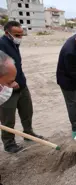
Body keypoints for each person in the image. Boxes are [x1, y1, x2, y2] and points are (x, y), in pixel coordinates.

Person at [0, 21, 44, 153]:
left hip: (21, 85)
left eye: (21, 34)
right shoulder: (1, 45)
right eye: (16, 34)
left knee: (27, 111)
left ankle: (28, 133)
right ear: (7, 33)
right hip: (7, 88)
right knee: (8, 118)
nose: (20, 37)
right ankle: (9, 144)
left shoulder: (13, 44)